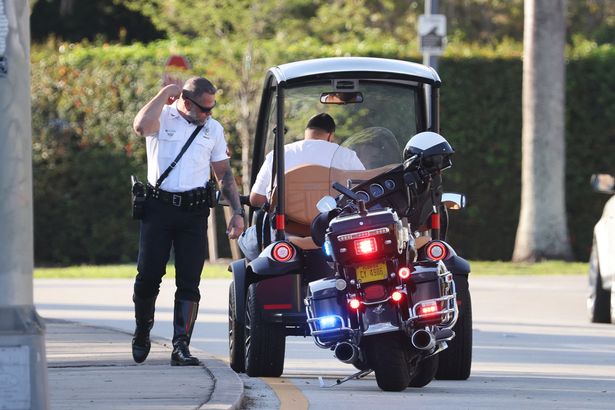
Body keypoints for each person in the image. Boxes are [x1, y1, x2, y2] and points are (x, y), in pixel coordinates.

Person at [131, 76, 244, 366]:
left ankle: (181, 346)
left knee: (190, 281)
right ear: (185, 100)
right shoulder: (162, 117)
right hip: (158, 208)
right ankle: (143, 330)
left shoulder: (213, 129)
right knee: (148, 277)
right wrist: (164, 92)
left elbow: (224, 174)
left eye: (212, 108)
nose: (208, 114)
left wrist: (236, 213)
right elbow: (140, 127)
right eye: (204, 108)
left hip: (194, 213)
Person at [249, 113, 364, 208]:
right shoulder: (347, 155)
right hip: (333, 225)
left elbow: (256, 199)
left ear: (306, 133)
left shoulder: (277, 154)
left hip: (286, 227)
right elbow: (365, 189)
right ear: (330, 136)